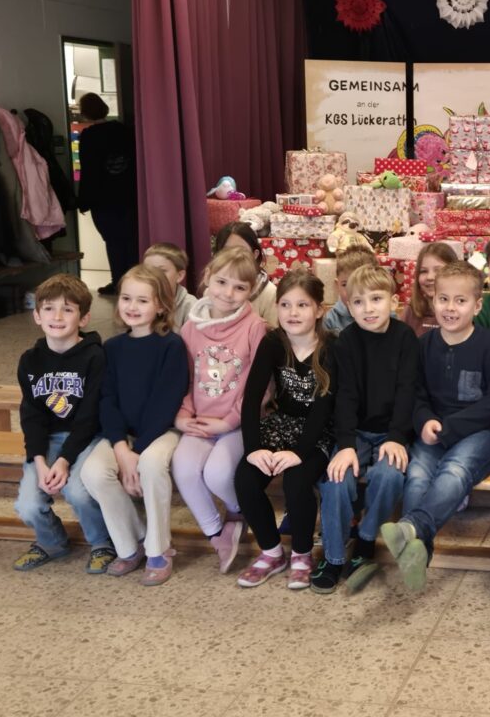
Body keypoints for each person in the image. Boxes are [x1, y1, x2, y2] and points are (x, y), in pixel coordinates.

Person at [380, 262, 490, 593]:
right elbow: (415, 392)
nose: (450, 308)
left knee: (454, 470)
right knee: (418, 475)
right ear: (432, 300)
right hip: (433, 428)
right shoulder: (424, 345)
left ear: (477, 305)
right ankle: (416, 554)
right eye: (443, 299)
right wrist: (423, 420)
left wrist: (451, 426)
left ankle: (412, 528)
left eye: (460, 301)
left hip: (482, 432)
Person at [313, 265, 418, 594]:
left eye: (376, 299)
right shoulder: (346, 341)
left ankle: (365, 541)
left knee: (389, 475)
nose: (368, 308)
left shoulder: (405, 338)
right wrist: (344, 444)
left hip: (392, 432)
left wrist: (397, 436)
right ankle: (332, 556)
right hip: (355, 432)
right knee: (336, 480)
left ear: (394, 301)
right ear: (347, 305)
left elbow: (407, 391)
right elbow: (344, 395)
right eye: (358, 302)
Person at [80, 265, 188, 585]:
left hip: (162, 432)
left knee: (153, 465)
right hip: (123, 436)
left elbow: (165, 403)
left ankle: (159, 548)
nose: (132, 307)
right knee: (93, 471)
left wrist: (136, 454)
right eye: (126, 298)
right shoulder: (112, 348)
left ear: (161, 306)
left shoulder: (171, 345)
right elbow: (107, 400)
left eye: (142, 300)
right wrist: (120, 448)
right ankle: (131, 545)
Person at [233, 271, 335, 590]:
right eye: (285, 305)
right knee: (245, 479)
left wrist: (299, 453)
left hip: (318, 432)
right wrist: (253, 449)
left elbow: (323, 408)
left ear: (319, 309)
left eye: (302, 305)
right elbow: (251, 399)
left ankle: (302, 554)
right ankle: (272, 552)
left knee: (297, 480)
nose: (293, 313)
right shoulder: (273, 342)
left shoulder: (331, 348)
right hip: (281, 424)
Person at [172, 246, 268, 573]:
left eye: (240, 287)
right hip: (200, 421)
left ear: (251, 290)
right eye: (222, 282)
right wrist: (183, 415)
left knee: (216, 473)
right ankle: (217, 534)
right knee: (183, 469)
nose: (228, 293)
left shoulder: (255, 327)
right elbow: (185, 378)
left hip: (238, 424)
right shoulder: (190, 328)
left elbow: (262, 386)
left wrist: (228, 420)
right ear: (206, 279)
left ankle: (239, 510)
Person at [13, 274, 114, 573]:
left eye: (68, 309)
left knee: (78, 492)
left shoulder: (95, 356)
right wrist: (40, 460)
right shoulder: (29, 361)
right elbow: (31, 414)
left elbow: (89, 416)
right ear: (36, 315)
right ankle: (51, 542)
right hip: (46, 442)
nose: (57, 316)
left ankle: (101, 542)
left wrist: (66, 460)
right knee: (28, 505)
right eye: (48, 308)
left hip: (86, 439)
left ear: (83, 318)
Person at [76, 92, 138, 296]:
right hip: (129, 196)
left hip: (103, 199)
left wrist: (83, 201)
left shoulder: (89, 136)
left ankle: (118, 281)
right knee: (131, 239)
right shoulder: (125, 131)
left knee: (113, 241)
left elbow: (90, 172)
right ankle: (135, 280)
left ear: (85, 113)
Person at [213, 221, 278, 327]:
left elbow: (274, 336)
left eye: (241, 251)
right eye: (227, 251)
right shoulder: (212, 289)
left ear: (255, 254)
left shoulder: (269, 293)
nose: (235, 257)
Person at [401, 242, 459, 336]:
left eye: (438, 270)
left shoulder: (462, 312)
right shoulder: (411, 312)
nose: (430, 277)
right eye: (423, 271)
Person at [322, 244, 382, 334]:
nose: (353, 293)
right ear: (337, 285)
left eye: (363, 284)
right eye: (345, 284)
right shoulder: (331, 319)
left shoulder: (387, 316)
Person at [143, 242, 196, 332]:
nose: (153, 276)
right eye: (148, 270)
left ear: (179, 276)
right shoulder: (138, 299)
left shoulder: (191, 306)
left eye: (161, 271)